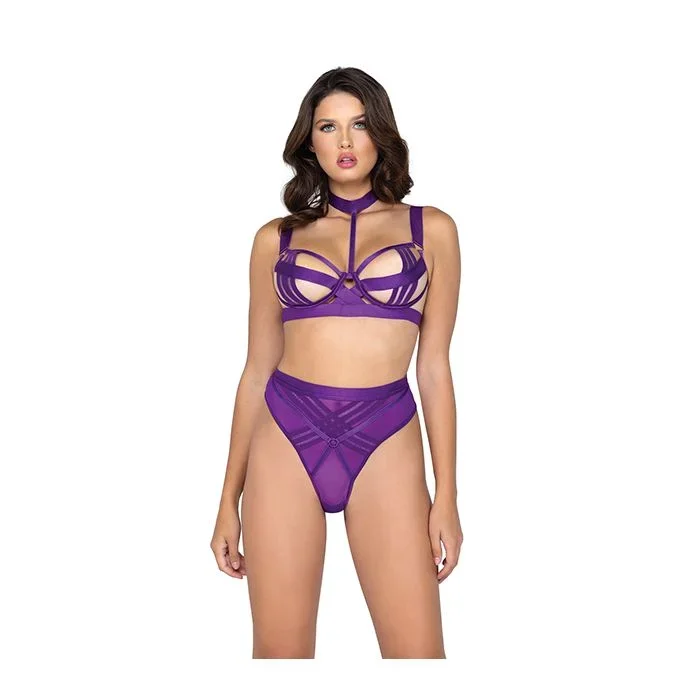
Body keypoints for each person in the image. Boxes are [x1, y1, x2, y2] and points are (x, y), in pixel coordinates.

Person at [210, 66, 463, 659]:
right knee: (280, 658)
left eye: (359, 125)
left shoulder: (432, 229)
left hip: (385, 432)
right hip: (285, 431)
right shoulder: (275, 238)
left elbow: (434, 369)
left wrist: (447, 496)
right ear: (310, 140)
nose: (345, 141)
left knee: (418, 658)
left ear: (381, 134)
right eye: (328, 127)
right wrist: (226, 499)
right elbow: (255, 371)